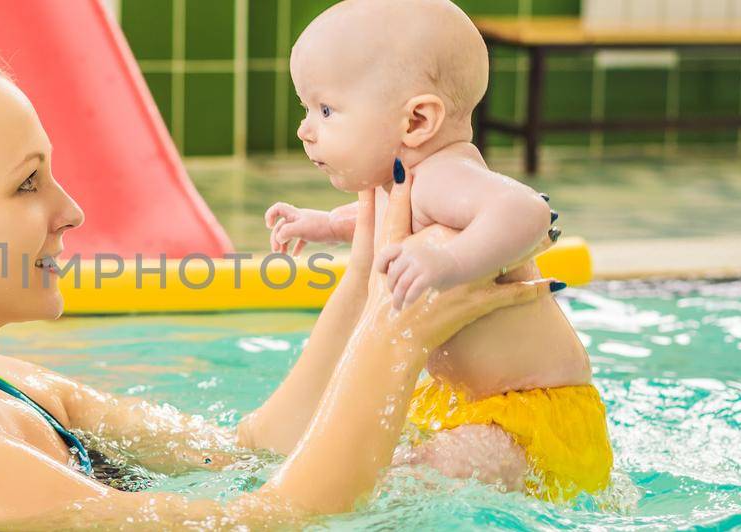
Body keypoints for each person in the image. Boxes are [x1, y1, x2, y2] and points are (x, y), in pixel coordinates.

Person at [0, 44, 560, 526]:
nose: (71, 210)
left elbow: (248, 453)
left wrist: (367, 277)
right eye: (29, 182)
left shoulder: (5, 390)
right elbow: (261, 524)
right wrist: (395, 333)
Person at [262, 0, 611, 500]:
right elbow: (383, 225)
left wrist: (448, 261)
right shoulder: (403, 182)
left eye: (326, 109)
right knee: (378, 463)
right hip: (468, 405)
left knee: (403, 483)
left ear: (416, 122)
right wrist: (322, 224)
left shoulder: (444, 174)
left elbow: (527, 210)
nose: (305, 129)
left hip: (532, 414)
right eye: (306, 109)